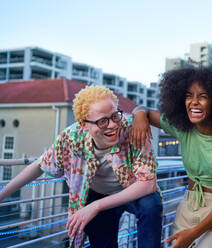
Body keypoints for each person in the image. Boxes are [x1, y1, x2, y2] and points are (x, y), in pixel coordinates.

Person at [0, 86, 163, 248]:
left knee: (151, 204)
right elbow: (40, 165)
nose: (113, 125)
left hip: (130, 192)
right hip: (96, 194)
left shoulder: (133, 128)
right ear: (84, 125)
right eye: (102, 121)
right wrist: (2, 195)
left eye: (115, 116)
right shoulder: (71, 138)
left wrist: (95, 207)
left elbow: (148, 183)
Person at [131, 65, 212, 248]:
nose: (193, 102)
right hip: (188, 207)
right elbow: (143, 109)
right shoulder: (185, 129)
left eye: (202, 96)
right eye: (189, 95)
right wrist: (139, 116)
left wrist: (193, 234)